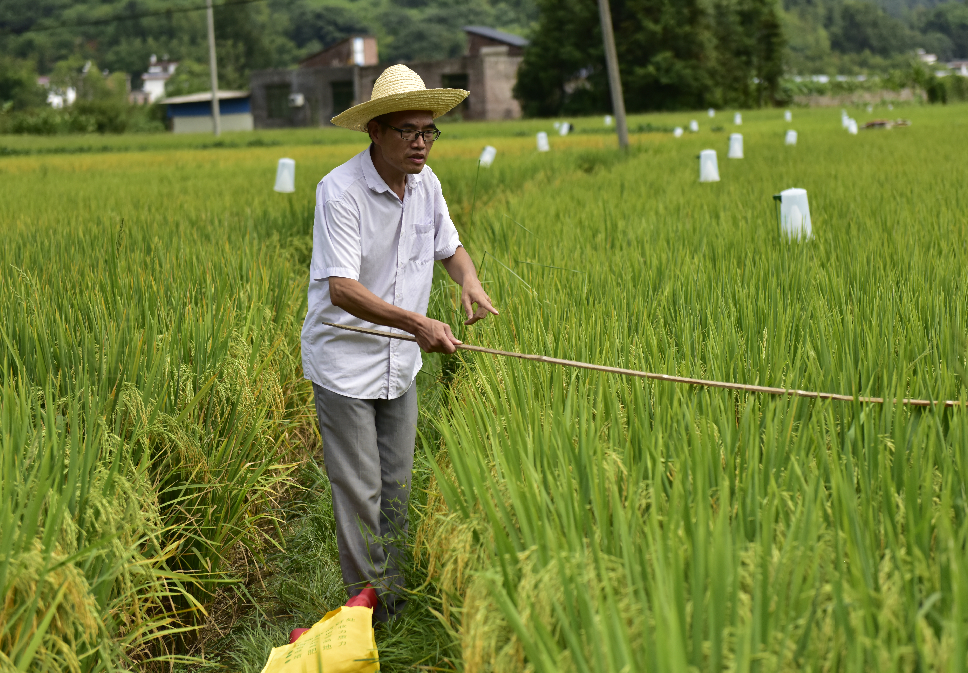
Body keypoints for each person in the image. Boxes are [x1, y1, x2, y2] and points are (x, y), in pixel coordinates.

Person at [292, 64, 497, 639]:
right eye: (408, 130)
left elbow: (450, 246)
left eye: (429, 131)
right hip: (345, 361)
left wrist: (469, 281)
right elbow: (343, 289)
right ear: (375, 131)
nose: (421, 142)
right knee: (361, 491)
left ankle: (397, 598)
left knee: (398, 486)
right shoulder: (341, 191)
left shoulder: (426, 184)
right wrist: (418, 323)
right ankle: (369, 618)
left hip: (399, 366)